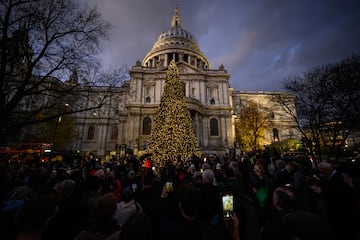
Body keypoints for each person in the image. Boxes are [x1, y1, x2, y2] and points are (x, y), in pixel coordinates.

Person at [317, 161, 356, 240]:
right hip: (340, 211)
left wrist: (321, 192)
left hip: (341, 211)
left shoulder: (339, 178)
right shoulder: (336, 175)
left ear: (326, 171)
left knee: (343, 231)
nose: (321, 174)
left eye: (321, 172)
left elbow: (336, 196)